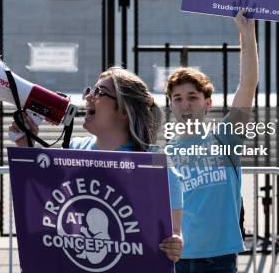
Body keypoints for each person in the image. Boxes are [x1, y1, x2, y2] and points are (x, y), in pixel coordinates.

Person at [10, 67, 185, 263]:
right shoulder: (74, 148)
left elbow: (174, 233)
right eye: (90, 90)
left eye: (99, 92)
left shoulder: (156, 166)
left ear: (124, 111)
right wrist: (26, 145)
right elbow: (49, 202)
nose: (88, 97)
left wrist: (175, 243)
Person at [165, 9, 258, 273]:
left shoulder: (225, 136)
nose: (185, 104)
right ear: (171, 105)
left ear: (207, 103)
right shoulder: (165, 154)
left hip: (219, 257)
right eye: (178, 98)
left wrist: (247, 33)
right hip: (178, 256)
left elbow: (248, 85)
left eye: (192, 97)